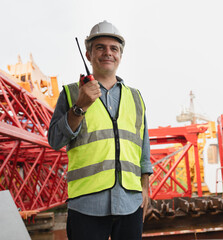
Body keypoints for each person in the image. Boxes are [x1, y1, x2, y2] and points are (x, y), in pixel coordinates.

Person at [48, 20, 153, 240]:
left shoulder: (136, 97)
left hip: (130, 203)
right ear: (88, 55)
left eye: (113, 48)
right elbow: (55, 140)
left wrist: (145, 189)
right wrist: (80, 106)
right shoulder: (71, 93)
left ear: (120, 56)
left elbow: (143, 149)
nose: (108, 53)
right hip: (86, 204)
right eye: (100, 47)